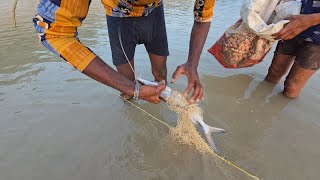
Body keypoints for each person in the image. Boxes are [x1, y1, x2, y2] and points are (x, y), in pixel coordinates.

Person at [33, 0, 216, 103]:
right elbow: (54, 33)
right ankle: (130, 110)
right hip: (118, 19)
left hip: (154, 14)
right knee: (127, 85)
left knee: (160, 75)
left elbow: (203, 16)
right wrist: (130, 88)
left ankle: (157, 104)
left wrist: (192, 63)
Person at [266, 0, 320, 98]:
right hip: (295, 22)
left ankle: (276, 111)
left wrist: (312, 19)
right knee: (273, 73)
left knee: (292, 86)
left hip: (318, 40)